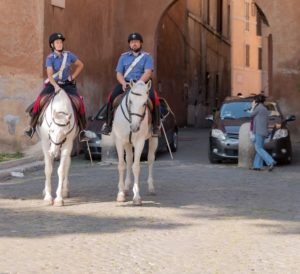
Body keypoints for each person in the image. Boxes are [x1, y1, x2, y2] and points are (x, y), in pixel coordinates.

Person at [24, 32, 85, 138]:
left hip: (66, 84)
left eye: (61, 42)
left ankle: (83, 131)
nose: (60, 44)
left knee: (79, 101)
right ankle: (32, 127)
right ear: (52, 45)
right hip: (53, 84)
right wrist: (56, 86)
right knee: (40, 99)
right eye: (57, 42)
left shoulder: (69, 55)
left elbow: (80, 65)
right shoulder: (50, 58)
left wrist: (72, 77)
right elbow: (50, 75)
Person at [101, 32, 160, 136]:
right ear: (129, 44)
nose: (134, 44)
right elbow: (119, 73)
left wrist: (140, 83)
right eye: (132, 42)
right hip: (126, 84)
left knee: (154, 97)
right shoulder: (123, 57)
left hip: (142, 84)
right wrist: (123, 82)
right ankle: (108, 124)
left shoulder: (147, 57)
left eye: (136, 42)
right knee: (111, 97)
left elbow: (148, 72)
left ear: (141, 43)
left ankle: (156, 126)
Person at [249, 94, 276, 171]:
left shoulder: (258, 108)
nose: (253, 102)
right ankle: (257, 166)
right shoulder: (264, 108)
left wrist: (253, 106)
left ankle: (271, 161)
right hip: (264, 131)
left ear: (256, 101)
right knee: (259, 149)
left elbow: (251, 115)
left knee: (258, 148)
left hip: (259, 131)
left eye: (254, 100)